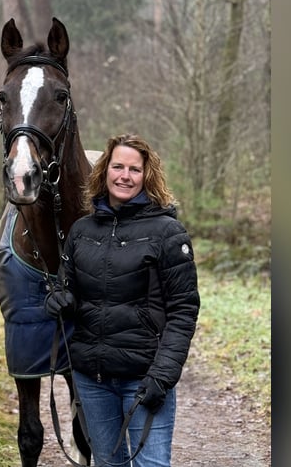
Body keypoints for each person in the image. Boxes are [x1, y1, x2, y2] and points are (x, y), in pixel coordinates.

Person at [45, 133, 200, 467]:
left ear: (147, 176)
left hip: (144, 378)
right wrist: (59, 299)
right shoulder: (82, 230)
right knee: (107, 463)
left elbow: (183, 311)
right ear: (104, 171)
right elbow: (67, 288)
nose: (124, 176)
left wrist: (163, 375)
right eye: (118, 166)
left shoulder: (168, 233)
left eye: (134, 169)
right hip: (92, 379)